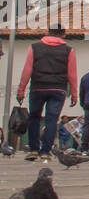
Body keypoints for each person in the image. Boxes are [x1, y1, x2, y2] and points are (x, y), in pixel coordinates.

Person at [17, 24, 78, 160]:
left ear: (48, 33)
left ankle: (33, 149)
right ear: (63, 34)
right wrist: (74, 93)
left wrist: (21, 90)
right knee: (52, 119)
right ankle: (45, 151)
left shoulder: (34, 47)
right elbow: (72, 74)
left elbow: (27, 70)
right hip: (58, 89)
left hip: (38, 87)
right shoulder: (69, 50)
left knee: (34, 117)